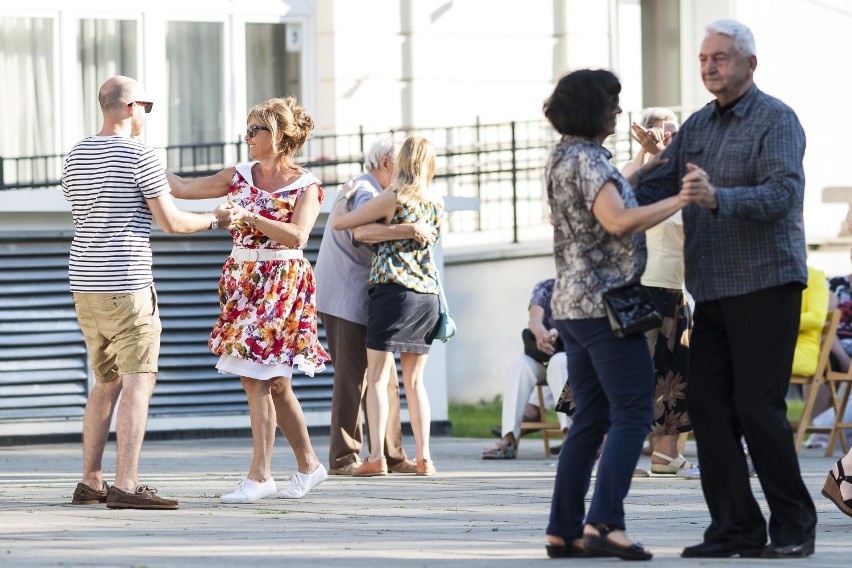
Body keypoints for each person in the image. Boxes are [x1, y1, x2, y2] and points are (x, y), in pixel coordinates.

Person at [635, 19, 817, 558]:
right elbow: (664, 179)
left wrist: (719, 199)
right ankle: (734, 527)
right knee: (708, 407)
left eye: (721, 58)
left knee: (757, 409)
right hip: (710, 288)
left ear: (749, 65)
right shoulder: (697, 126)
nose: (710, 67)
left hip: (766, 283)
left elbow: (783, 193)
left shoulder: (776, 119)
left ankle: (794, 526)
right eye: (703, 59)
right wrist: (603, 182)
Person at [63, 76, 237, 510]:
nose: (147, 114)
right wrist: (217, 220)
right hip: (126, 283)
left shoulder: (76, 154)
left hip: (85, 285)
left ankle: (91, 481)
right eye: (147, 105)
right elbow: (173, 223)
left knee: (106, 382)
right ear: (129, 107)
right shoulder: (139, 155)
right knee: (140, 380)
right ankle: (125, 483)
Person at [542, 69, 688, 561]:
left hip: (573, 306)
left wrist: (652, 164)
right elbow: (619, 219)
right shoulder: (585, 160)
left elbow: (613, 195)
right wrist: (681, 199)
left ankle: (562, 530)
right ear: (591, 108)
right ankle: (604, 523)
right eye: (613, 102)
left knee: (590, 418)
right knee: (632, 412)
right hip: (605, 307)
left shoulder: (566, 155)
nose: (619, 111)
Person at [167, 96, 330, 503]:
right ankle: (310, 466)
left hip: (283, 282)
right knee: (273, 381)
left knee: (259, 378)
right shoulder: (239, 173)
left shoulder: (306, 185)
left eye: (255, 130)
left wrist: (248, 217)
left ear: (278, 137)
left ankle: (260, 476)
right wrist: (140, 159)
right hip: (244, 281)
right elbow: (184, 188)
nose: (247, 137)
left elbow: (298, 236)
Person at [315, 137, 436, 475]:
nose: (404, 174)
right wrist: (410, 229)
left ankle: (389, 454)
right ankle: (345, 458)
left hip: (369, 295)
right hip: (347, 295)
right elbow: (359, 233)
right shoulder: (367, 190)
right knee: (354, 376)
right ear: (385, 163)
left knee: (385, 378)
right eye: (399, 166)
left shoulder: (367, 188)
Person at [623, 108, 694, 476]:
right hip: (642, 284)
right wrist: (647, 156)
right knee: (638, 369)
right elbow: (621, 199)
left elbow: (686, 224)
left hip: (671, 285)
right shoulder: (638, 171)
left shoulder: (682, 176)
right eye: (660, 131)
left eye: (673, 131)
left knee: (673, 372)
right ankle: (614, 452)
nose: (667, 136)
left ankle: (666, 454)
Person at [481, 278, 570, 459]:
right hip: (542, 353)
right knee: (519, 365)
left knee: (559, 362)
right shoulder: (545, 287)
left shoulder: (584, 286)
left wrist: (558, 332)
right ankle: (509, 439)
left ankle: (571, 435)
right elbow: (534, 320)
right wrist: (542, 334)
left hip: (572, 354)